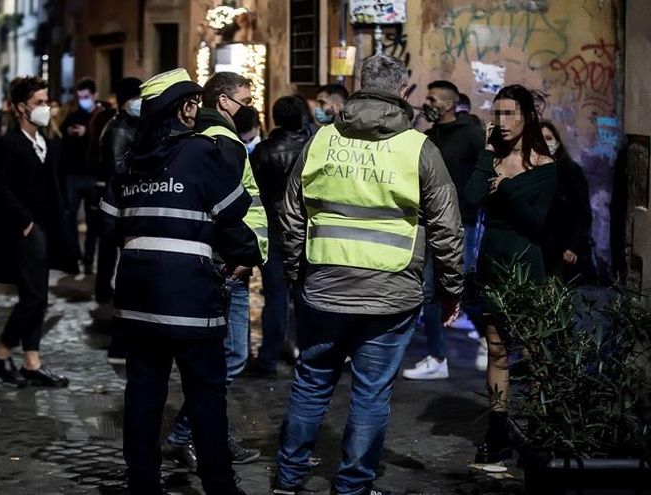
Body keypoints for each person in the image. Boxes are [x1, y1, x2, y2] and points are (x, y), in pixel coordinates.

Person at [274, 54, 464, 495]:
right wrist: (451, 290)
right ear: (402, 92)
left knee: (310, 383)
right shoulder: (418, 148)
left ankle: (288, 477)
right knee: (371, 393)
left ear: (360, 83)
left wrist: (296, 274)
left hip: (324, 286)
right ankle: (353, 486)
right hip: (390, 292)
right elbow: (446, 227)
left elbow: (290, 214)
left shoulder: (321, 140)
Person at [101, 67, 258, 495]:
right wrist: (248, 255)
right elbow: (232, 214)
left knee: (143, 393)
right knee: (206, 394)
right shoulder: (200, 152)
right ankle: (219, 486)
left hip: (136, 296)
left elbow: (108, 224)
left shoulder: (130, 160)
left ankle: (143, 484)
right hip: (191, 296)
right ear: (187, 108)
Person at [165, 71, 268, 468]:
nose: (249, 108)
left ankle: (204, 436)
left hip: (216, 262)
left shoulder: (199, 136)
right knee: (230, 357)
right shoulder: (224, 141)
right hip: (228, 266)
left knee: (218, 358)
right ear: (224, 101)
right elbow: (225, 209)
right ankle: (192, 436)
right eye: (245, 100)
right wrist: (240, 259)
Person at [464, 84, 557, 464]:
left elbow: (536, 225)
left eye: (509, 114)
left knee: (533, 351)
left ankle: (539, 429)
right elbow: (470, 198)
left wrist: (507, 191)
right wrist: (488, 153)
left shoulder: (545, 166)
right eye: (496, 113)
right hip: (493, 261)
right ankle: (498, 432)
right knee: (497, 349)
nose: (501, 122)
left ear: (526, 116)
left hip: (526, 263)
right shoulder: (492, 159)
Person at [0, 76, 79, 387]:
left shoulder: (48, 144)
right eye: (39, 102)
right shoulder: (9, 143)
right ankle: (0, 354)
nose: (46, 108)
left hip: (46, 230)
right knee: (34, 298)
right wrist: (25, 221)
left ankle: (31, 361)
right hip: (24, 232)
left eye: (46, 102)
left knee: (36, 296)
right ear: (20, 108)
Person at [401, 80, 486, 381]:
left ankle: (490, 338)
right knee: (429, 292)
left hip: (461, 222)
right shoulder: (430, 136)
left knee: (461, 287)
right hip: (431, 222)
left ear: (449, 104)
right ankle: (437, 357)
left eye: (433, 99)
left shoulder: (471, 134)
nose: (428, 104)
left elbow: (486, 169)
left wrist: (472, 202)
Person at [246, 95, 313, 377]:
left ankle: (268, 358)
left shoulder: (263, 151)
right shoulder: (314, 148)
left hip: (274, 230)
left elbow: (254, 193)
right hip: (307, 230)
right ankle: (308, 355)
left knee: (275, 296)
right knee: (305, 296)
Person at [96, 77, 143, 365]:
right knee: (125, 280)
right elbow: (118, 173)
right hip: (124, 213)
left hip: (127, 212)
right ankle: (120, 343)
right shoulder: (119, 129)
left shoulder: (130, 126)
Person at [541, 121, 595, 284]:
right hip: (541, 249)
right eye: (541, 139)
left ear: (557, 142)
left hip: (563, 251)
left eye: (549, 138)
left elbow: (582, 213)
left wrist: (572, 247)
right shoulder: (533, 174)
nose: (545, 143)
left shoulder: (570, 171)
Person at [62, 78, 101, 275]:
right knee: (70, 217)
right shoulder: (73, 116)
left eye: (86, 97)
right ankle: (74, 255)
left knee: (93, 221)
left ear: (94, 95)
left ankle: (88, 259)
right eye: (80, 97)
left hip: (92, 175)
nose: (83, 100)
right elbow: (62, 137)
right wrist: (69, 132)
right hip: (73, 174)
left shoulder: (100, 116)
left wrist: (88, 132)